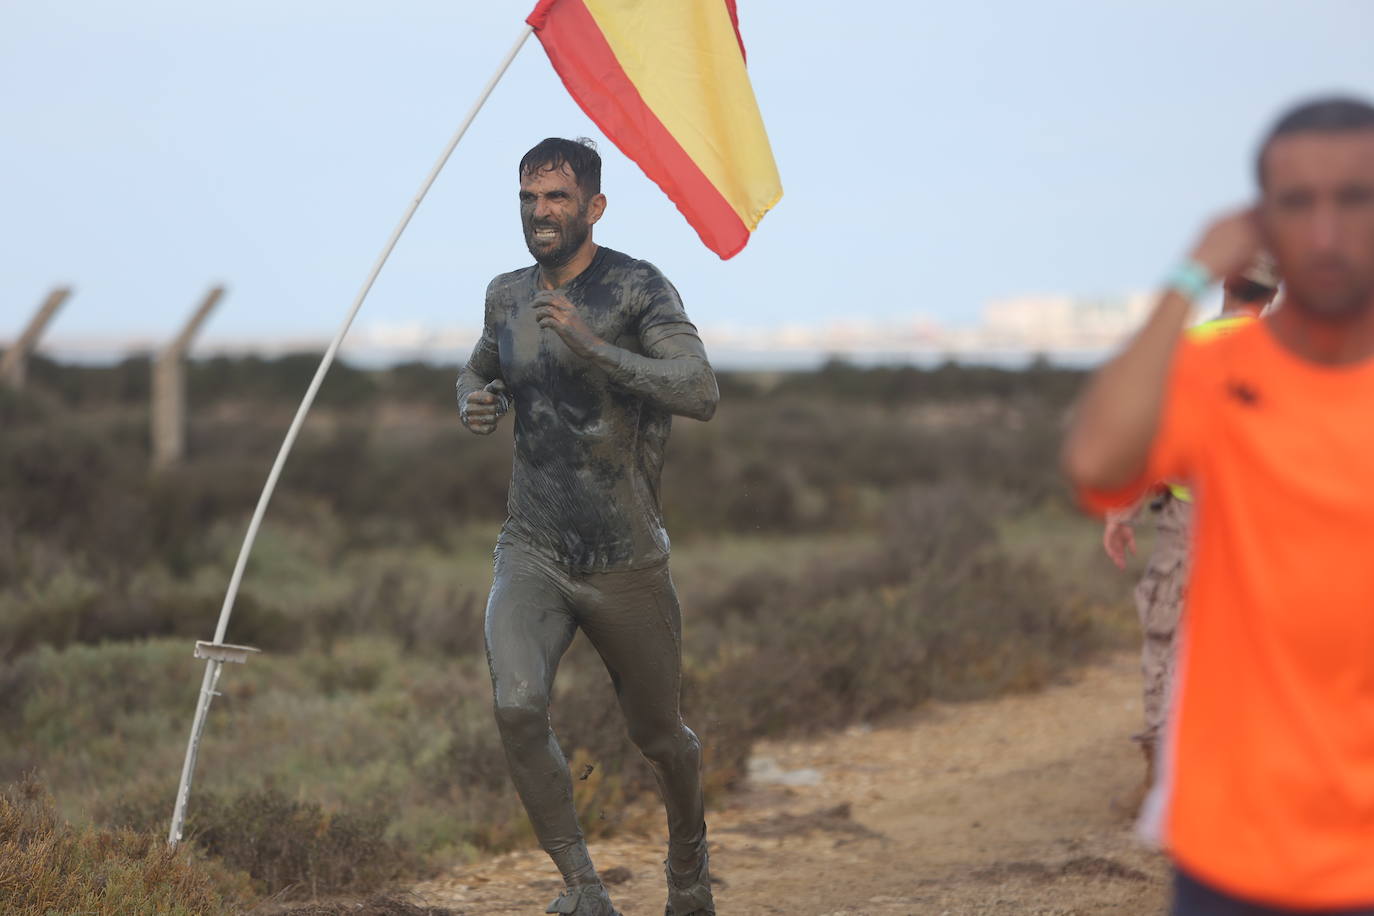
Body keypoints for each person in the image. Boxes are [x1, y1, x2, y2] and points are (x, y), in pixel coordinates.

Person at [1064, 96, 1374, 914]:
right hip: (1236, 847)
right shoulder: (1221, 369)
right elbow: (1095, 460)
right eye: (1299, 202)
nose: (1329, 230)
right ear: (1262, 223)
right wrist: (1184, 276)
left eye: (1356, 197)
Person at [456, 137, 719, 916]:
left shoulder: (637, 288)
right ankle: (583, 890)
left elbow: (700, 389)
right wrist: (472, 397)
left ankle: (689, 870)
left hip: (625, 558)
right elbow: (481, 368)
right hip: (532, 546)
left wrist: (593, 345)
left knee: (661, 737)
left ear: (594, 207)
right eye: (530, 199)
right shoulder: (506, 295)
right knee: (516, 705)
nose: (541, 214)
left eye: (558, 198)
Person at [1101, 259, 1279, 806]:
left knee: (1169, 639)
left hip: (1189, 519)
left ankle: (1162, 780)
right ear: (1271, 297)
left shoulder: (1186, 350)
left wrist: (1123, 510)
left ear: (1226, 284)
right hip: (1267, 523)